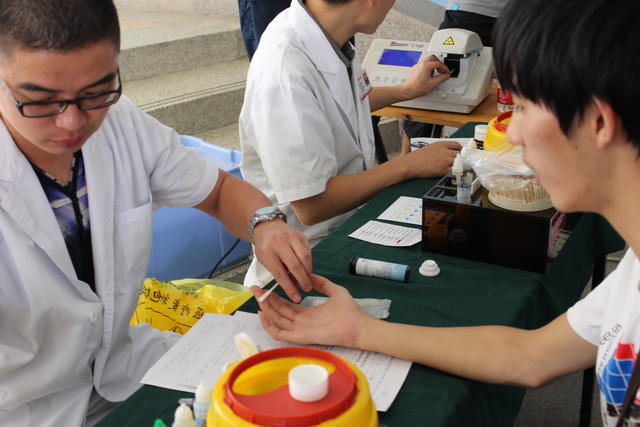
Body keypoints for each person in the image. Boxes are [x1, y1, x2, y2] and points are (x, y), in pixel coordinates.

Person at [254, 0, 640, 424]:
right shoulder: (631, 274)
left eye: (526, 106)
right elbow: (531, 356)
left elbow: (531, 357)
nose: (512, 131)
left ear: (599, 123)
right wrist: (360, 329)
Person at [0, 0, 313, 425]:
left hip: (128, 369)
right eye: (41, 100)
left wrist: (265, 224)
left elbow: (219, 191)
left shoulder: (120, 123)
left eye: (97, 91)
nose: (72, 122)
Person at [239, 0, 462, 285]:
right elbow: (312, 206)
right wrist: (408, 165)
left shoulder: (326, 33)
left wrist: (406, 91)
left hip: (347, 224)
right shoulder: (284, 75)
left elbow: (345, 103)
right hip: (308, 255)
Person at [401, 0, 510, 155]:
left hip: (526, 17)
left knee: (514, 96)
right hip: (477, 13)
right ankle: (406, 159)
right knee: (436, 91)